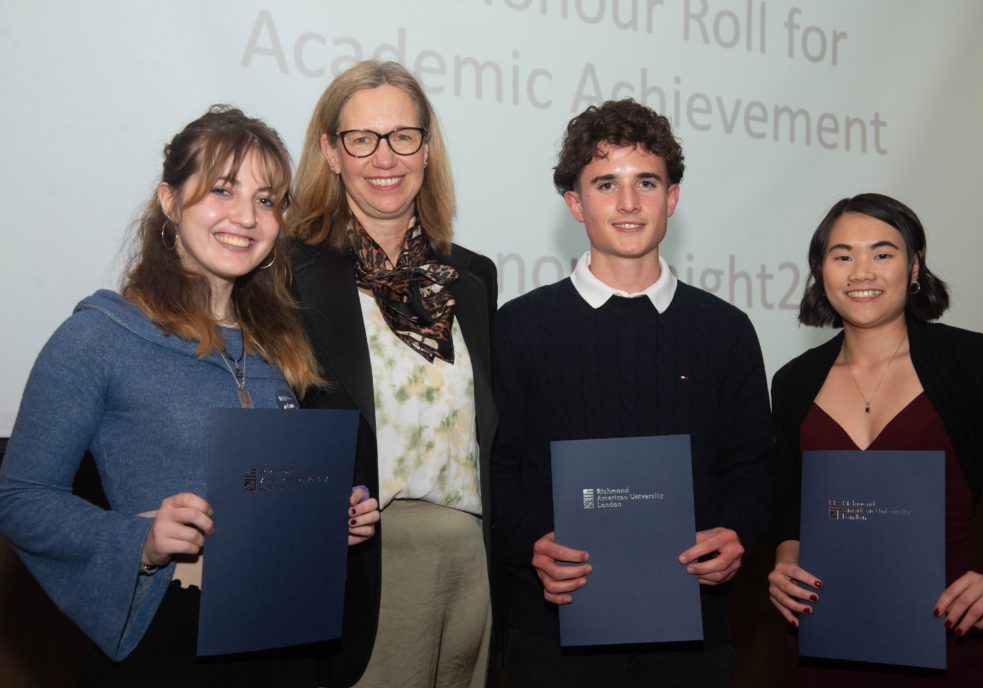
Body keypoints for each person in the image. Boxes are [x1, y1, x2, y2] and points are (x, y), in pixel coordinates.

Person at [0, 106, 381, 685]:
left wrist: (329, 513)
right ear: (170, 202)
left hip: (286, 640)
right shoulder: (100, 334)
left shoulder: (281, 348)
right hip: (170, 643)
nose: (246, 217)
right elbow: (20, 496)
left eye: (265, 199)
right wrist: (139, 541)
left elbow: (265, 489)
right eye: (221, 190)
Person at [491, 99, 773, 687]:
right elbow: (497, 468)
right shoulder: (518, 327)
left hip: (693, 632)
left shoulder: (725, 330)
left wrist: (735, 533)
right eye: (605, 184)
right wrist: (530, 547)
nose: (627, 203)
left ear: (671, 198)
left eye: (646, 182)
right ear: (574, 203)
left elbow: (751, 467)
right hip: (553, 635)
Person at [286, 60, 497, 688]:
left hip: (470, 561)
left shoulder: (472, 278)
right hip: (362, 567)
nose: (385, 157)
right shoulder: (288, 273)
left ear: (426, 149)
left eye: (403, 137)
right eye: (362, 139)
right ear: (330, 151)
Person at [768, 192, 983, 685]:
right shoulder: (793, 381)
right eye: (841, 256)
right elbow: (787, 501)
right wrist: (785, 562)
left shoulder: (976, 364)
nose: (861, 272)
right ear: (821, 272)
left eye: (882, 254)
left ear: (914, 267)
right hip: (820, 642)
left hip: (947, 635)